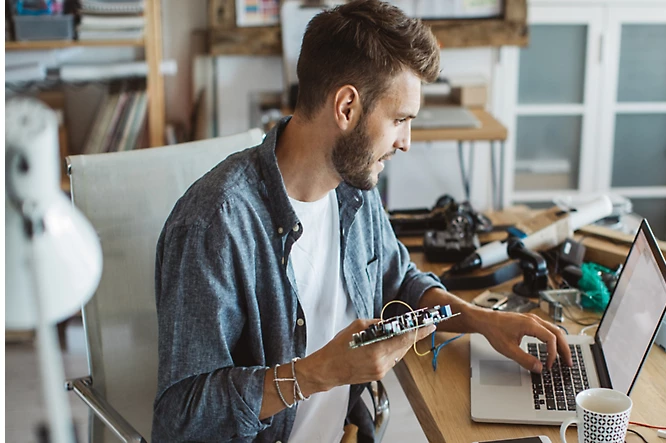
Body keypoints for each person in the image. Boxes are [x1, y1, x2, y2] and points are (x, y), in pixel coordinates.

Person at [153, 1, 571, 442]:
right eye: (399, 120)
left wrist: (480, 320)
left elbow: (398, 282)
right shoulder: (213, 226)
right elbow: (181, 420)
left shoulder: (352, 187)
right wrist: (317, 373)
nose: (405, 143)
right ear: (347, 107)